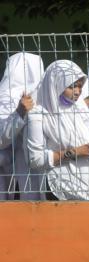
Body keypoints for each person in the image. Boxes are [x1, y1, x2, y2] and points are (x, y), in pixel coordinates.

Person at [26, 60, 89, 200]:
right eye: (71, 87)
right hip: (62, 189)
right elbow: (35, 159)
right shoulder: (39, 115)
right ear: (56, 84)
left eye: (80, 86)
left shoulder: (80, 108)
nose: (78, 92)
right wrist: (77, 152)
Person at [0, 52, 44, 200]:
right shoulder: (4, 97)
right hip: (9, 166)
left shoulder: (46, 95)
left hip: (34, 164)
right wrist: (19, 113)